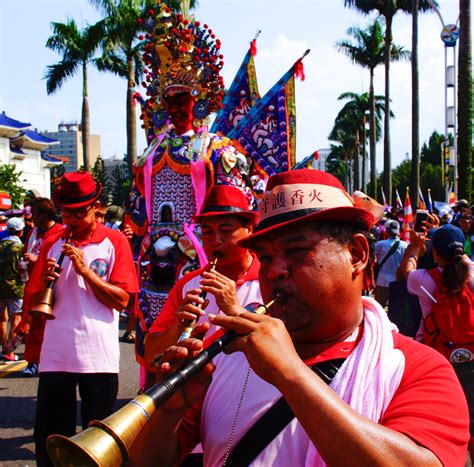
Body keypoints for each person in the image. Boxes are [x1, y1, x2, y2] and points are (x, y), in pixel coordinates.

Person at [129, 169, 469, 466]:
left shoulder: (420, 368)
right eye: (264, 257)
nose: (274, 271)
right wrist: (168, 411)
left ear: (357, 254)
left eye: (295, 251)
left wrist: (290, 374)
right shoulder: (226, 354)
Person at [127, 5, 252, 386]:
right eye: (170, 100)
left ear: (199, 99)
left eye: (183, 98)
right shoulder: (150, 152)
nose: (176, 107)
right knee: (156, 335)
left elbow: (238, 210)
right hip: (156, 263)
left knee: (207, 337)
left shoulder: (217, 149)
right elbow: (138, 213)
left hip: (203, 257)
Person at [28, 172, 139, 467]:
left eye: (80, 212)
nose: (72, 219)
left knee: (100, 440)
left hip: (97, 356)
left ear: (96, 207)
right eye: (67, 212)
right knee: (49, 438)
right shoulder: (53, 242)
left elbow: (122, 299)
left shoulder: (114, 241)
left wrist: (86, 271)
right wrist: (45, 280)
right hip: (56, 355)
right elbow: (36, 297)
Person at [144, 184, 260, 367]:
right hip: (197, 394)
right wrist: (178, 328)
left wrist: (233, 307)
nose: (216, 241)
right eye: (207, 232)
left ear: (250, 229)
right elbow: (151, 356)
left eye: (226, 230)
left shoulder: (270, 278)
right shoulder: (188, 285)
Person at [399, 223, 474, 459]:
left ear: (434, 253)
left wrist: (415, 248)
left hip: (435, 358)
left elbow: (406, 271)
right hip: (472, 355)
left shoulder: (422, 279)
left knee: (440, 419)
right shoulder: (472, 274)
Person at [16, 197, 64, 376]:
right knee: (33, 327)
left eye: (34, 213)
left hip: (51, 287)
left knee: (52, 328)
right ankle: (33, 361)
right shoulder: (32, 233)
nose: (30, 218)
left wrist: (39, 260)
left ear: (44, 214)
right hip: (32, 286)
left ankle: (53, 361)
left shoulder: (59, 231)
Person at [0, 217, 25, 362]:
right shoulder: (19, 248)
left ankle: (3, 347)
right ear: (20, 231)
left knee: (2, 319)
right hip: (15, 288)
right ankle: (9, 351)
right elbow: (22, 269)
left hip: (0, 287)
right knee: (16, 318)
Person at [373, 219, 407, 307]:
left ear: (387, 231)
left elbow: (371, 257)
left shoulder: (380, 244)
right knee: (395, 309)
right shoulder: (405, 245)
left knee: (379, 308)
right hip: (397, 282)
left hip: (382, 281)